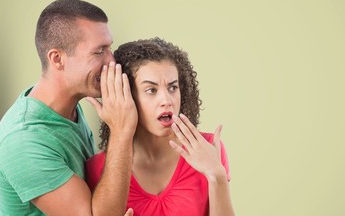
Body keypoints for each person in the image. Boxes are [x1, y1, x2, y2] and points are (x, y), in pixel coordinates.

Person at [0, 0, 136, 216]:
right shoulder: (22, 141)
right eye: (99, 51)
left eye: (110, 48)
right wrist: (121, 131)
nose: (112, 61)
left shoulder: (69, 107)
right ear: (57, 59)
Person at [86, 38, 235, 216]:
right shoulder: (98, 168)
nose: (166, 101)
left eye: (173, 88)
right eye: (151, 90)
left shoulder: (208, 148)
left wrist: (217, 176)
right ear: (127, 96)